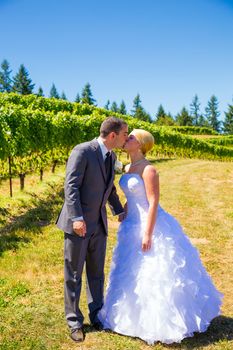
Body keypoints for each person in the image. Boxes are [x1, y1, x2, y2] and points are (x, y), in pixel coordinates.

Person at [98, 129, 223, 345]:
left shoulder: (149, 170)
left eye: (131, 138)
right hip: (131, 224)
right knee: (132, 270)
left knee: (155, 270)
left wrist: (148, 232)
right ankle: (131, 317)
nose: (126, 139)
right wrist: (125, 211)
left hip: (150, 223)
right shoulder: (128, 167)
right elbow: (133, 195)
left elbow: (153, 202)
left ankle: (162, 321)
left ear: (141, 145)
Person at [56, 117, 128, 342]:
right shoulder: (83, 151)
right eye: (125, 133)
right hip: (78, 224)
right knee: (74, 273)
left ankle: (97, 314)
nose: (127, 137)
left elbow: (109, 187)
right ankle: (74, 321)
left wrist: (118, 210)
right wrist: (76, 218)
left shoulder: (112, 156)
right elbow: (71, 186)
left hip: (99, 224)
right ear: (113, 135)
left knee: (96, 272)